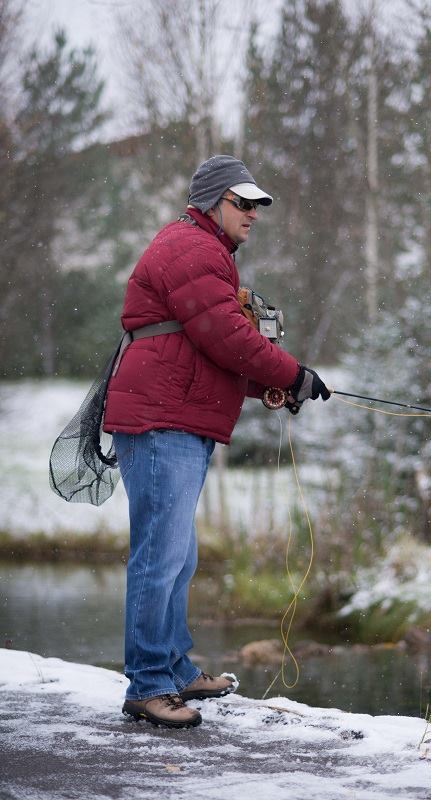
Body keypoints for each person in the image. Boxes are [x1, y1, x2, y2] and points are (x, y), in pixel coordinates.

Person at [103, 155, 330, 729]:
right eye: (243, 202)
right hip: (161, 422)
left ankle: (174, 668)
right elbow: (224, 335)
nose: (253, 213)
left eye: (257, 205)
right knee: (160, 556)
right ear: (211, 202)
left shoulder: (206, 252)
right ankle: (148, 685)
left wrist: (273, 385)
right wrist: (291, 373)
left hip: (174, 417)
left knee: (179, 556)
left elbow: (203, 349)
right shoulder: (192, 248)